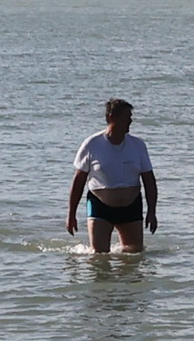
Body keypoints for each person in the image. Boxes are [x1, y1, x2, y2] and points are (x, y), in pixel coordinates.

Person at [68, 99, 159, 253]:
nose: (131, 121)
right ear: (112, 117)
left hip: (131, 206)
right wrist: (71, 215)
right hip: (100, 206)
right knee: (99, 257)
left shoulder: (138, 145)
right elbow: (78, 181)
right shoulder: (92, 144)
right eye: (127, 117)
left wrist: (152, 212)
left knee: (134, 256)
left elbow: (149, 181)